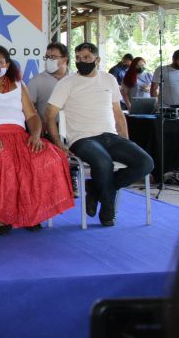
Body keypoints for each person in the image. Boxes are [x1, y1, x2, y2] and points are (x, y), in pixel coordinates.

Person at [0, 44, 73, 234]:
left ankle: (33, 214)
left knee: (46, 158)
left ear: (7, 65)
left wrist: (35, 135)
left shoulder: (20, 85)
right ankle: (1, 217)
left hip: (20, 136)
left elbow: (32, 116)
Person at [46, 42, 154, 227]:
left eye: (86, 58)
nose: (82, 62)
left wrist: (125, 139)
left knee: (146, 163)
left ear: (97, 59)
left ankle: (96, 189)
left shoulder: (109, 79)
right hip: (82, 139)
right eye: (78, 58)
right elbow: (49, 114)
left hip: (111, 136)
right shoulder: (67, 82)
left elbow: (118, 113)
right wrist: (58, 142)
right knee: (103, 162)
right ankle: (107, 210)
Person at [27, 42, 70, 127]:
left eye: (53, 57)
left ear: (64, 59)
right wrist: (38, 122)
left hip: (74, 128)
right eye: (47, 57)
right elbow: (28, 106)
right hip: (47, 128)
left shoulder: (75, 79)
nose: (48, 60)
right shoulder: (36, 80)